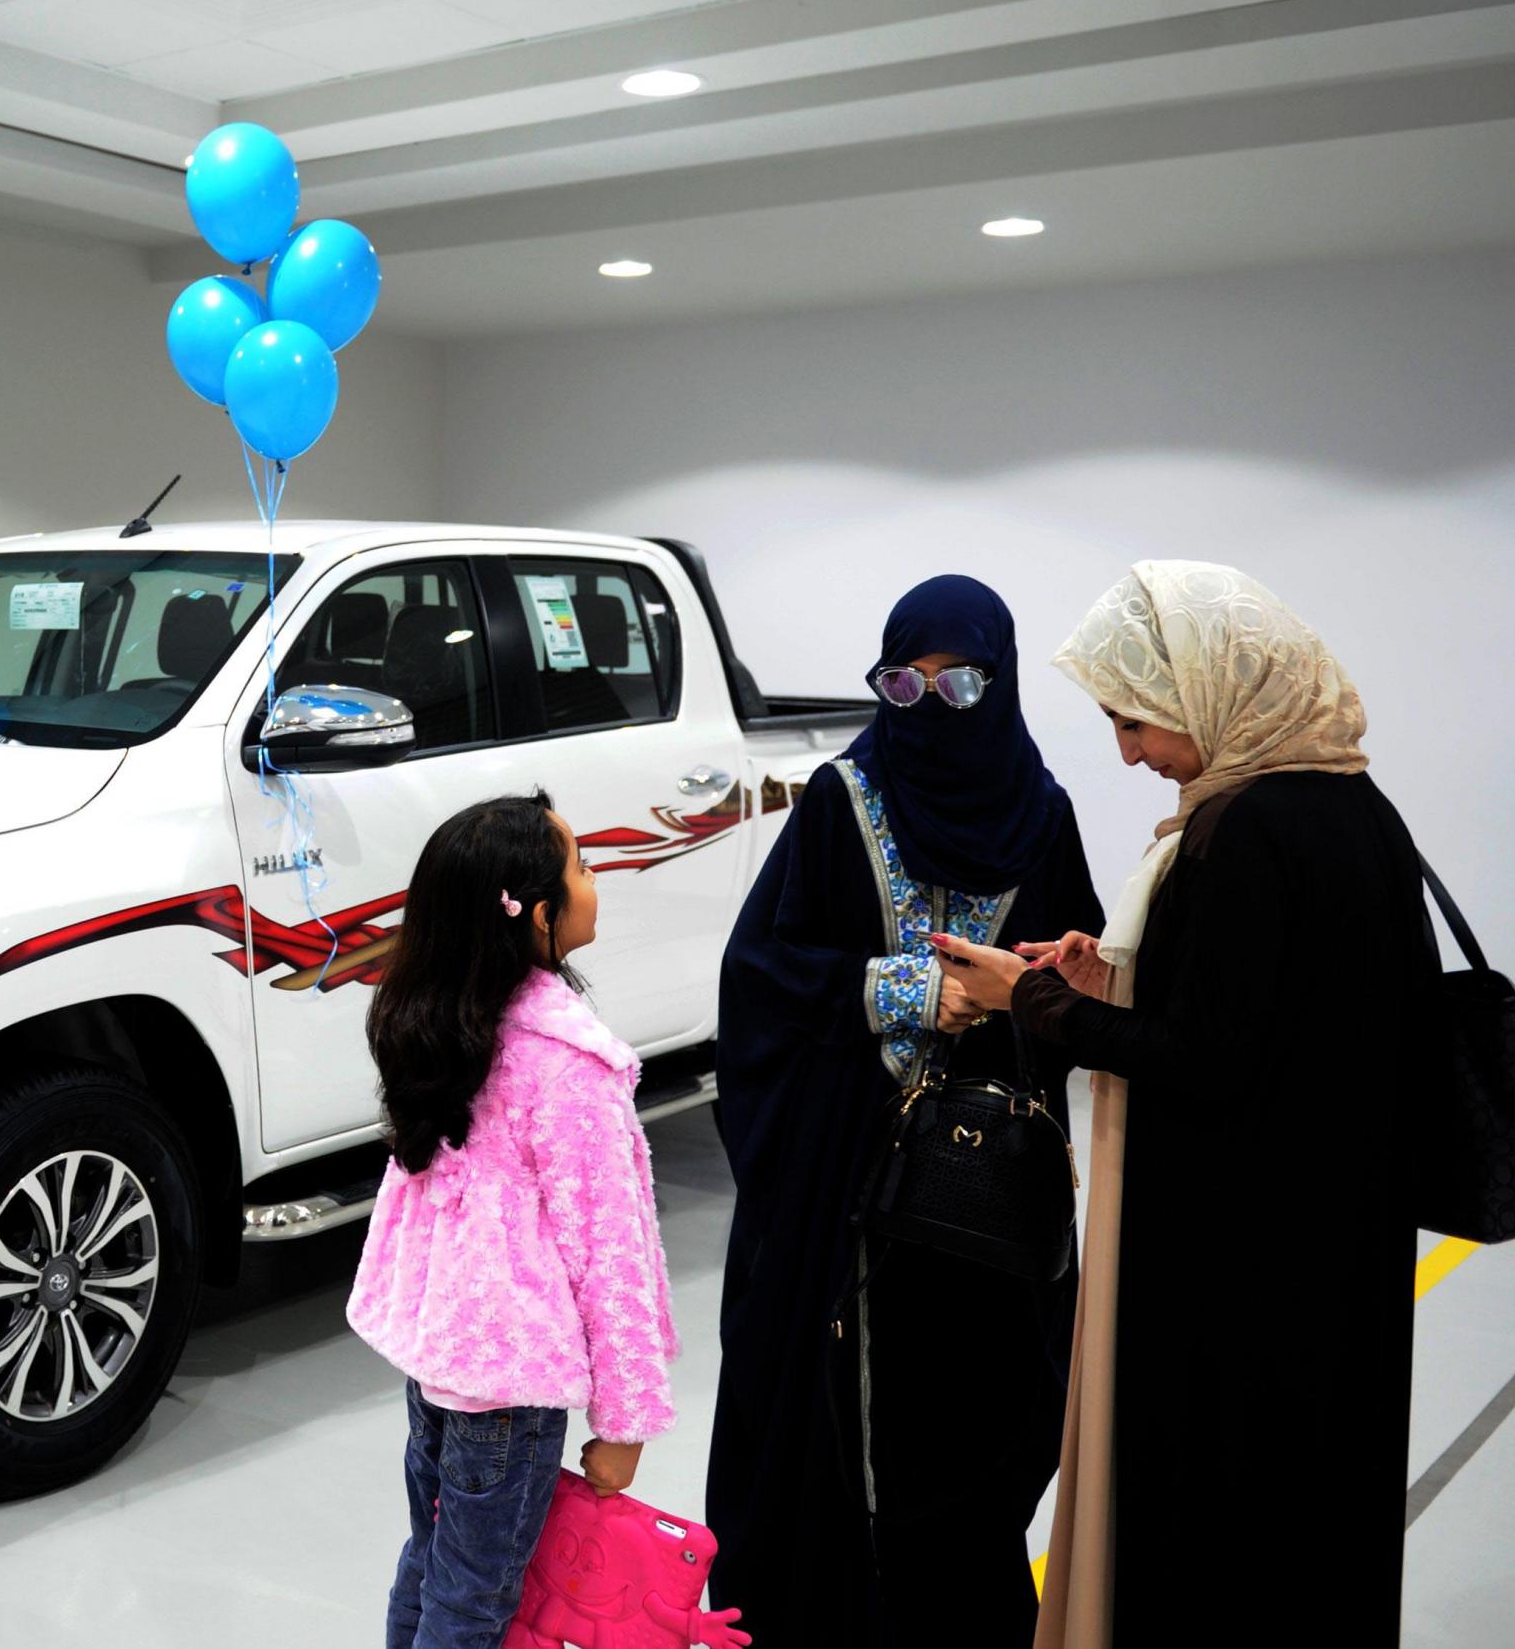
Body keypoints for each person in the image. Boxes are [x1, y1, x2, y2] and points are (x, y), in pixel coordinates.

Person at [932, 561, 1432, 1649]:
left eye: (1138, 721)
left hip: (1235, 1261)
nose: (1130, 753)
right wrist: (1111, 974)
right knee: (1313, 1516)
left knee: (1217, 1526)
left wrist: (1033, 999)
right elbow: (1277, 1016)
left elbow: (1202, 1060)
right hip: (1333, 1242)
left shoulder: (1245, 830)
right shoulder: (1352, 807)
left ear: (1213, 690)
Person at [708, 576, 1105, 1646]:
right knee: (826, 1413)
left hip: (979, 1197)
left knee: (977, 1418)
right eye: (905, 682)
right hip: (844, 1189)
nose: (928, 706)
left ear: (1000, 679)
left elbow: (1074, 1001)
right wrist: (909, 989)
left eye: (957, 682)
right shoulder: (844, 801)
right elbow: (761, 978)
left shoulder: (1043, 819)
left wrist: (1035, 989)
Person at [349, 792, 697, 1649]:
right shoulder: (566, 1064)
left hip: (445, 1366)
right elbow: (610, 1250)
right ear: (536, 916)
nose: (593, 877)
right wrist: (625, 1421)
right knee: (474, 1601)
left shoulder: (443, 1026)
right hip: (513, 1391)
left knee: (432, 1565)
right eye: (580, 867)